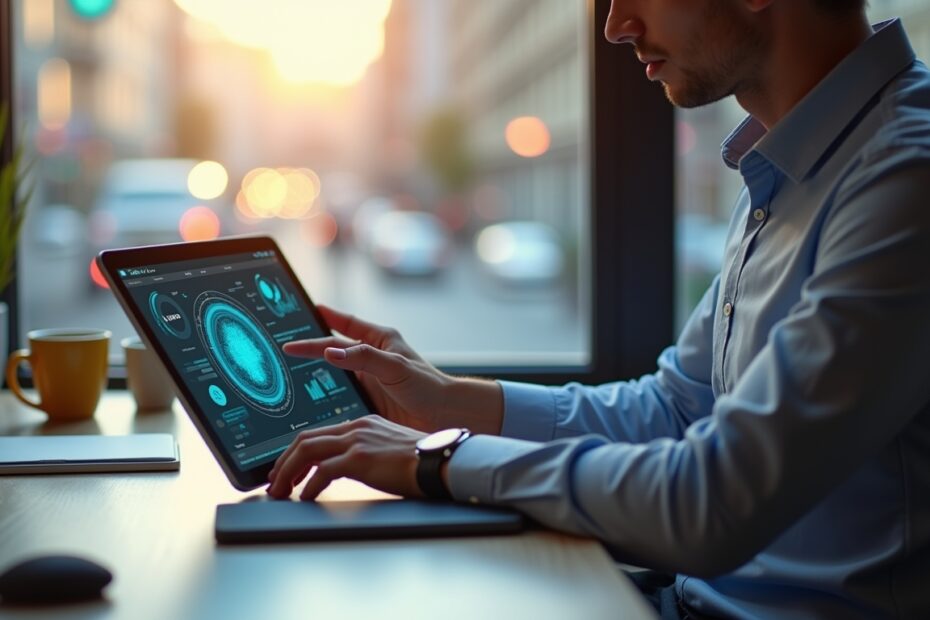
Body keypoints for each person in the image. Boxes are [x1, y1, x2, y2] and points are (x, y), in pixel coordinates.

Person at [267, 0, 930, 617]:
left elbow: (713, 502)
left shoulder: (904, 178)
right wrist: (447, 403)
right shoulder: (795, 162)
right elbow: (676, 411)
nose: (615, 25)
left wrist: (438, 456)